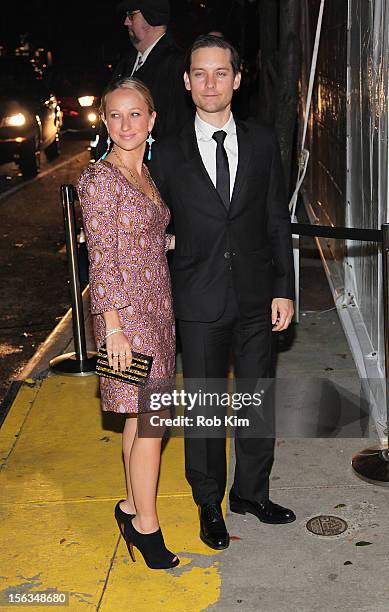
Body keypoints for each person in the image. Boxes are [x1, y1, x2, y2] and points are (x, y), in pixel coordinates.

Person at [149, 35, 296, 551]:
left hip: (258, 296)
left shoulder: (262, 142)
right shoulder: (165, 153)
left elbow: (277, 218)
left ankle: (251, 493)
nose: (210, 82)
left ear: (237, 79)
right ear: (186, 81)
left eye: (220, 72)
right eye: (199, 73)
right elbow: (150, 227)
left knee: (258, 400)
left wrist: (284, 288)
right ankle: (209, 502)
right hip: (197, 297)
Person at [77, 77, 179, 570]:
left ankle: (131, 507)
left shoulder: (145, 176)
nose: (126, 124)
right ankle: (147, 529)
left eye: (135, 113)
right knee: (153, 426)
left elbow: (140, 241)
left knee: (140, 423)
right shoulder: (99, 180)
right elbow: (101, 259)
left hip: (158, 312)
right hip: (127, 320)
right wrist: (112, 328)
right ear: (104, 121)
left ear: (152, 119)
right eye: (115, 115)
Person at [112, 0, 192, 138]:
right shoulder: (126, 62)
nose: (126, 22)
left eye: (131, 15)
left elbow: (178, 126)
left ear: (152, 16)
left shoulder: (177, 65)